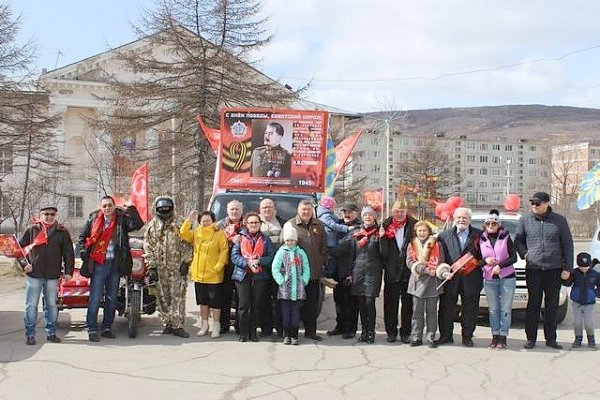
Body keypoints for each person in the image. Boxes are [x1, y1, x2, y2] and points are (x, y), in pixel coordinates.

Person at [79, 195, 143, 342]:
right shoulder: (94, 219)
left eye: (109, 205)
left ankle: (107, 327)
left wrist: (131, 208)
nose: (107, 208)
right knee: (94, 299)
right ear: (101, 207)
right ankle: (92, 329)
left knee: (111, 299)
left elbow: (137, 224)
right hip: (98, 264)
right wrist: (84, 253)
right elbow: (82, 238)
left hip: (114, 264)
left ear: (114, 206)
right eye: (104, 206)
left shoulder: (121, 218)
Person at [515, 191, 574, 350]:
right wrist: (525, 254)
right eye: (532, 203)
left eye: (538, 203)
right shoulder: (525, 220)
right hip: (533, 269)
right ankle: (531, 339)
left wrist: (568, 268)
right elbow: (518, 240)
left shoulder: (559, 221)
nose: (534, 206)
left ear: (547, 203)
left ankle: (551, 339)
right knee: (533, 304)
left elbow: (568, 245)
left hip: (554, 269)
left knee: (552, 305)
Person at [20, 206, 75, 345]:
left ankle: (51, 333)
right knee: (31, 306)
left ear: (55, 215)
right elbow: (18, 249)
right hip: (34, 274)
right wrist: (24, 264)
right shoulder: (32, 230)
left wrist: (68, 271)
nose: (49, 216)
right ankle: (30, 334)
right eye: (46, 214)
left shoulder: (62, 232)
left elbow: (69, 253)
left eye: (52, 214)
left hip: (53, 275)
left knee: (51, 305)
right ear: (41, 214)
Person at [143, 196, 193, 338]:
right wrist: (151, 266)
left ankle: (177, 325)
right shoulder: (152, 226)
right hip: (160, 267)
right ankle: (167, 323)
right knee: (162, 296)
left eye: (167, 208)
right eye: (161, 209)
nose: (165, 211)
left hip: (177, 266)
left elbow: (188, 243)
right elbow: (148, 246)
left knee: (178, 297)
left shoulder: (181, 223)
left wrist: (185, 262)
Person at [436, 207, 482, 347]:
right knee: (446, 308)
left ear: (469, 219)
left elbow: (484, 255)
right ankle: (446, 335)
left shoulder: (480, 235)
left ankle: (467, 337)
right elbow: (440, 257)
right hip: (451, 278)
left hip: (471, 277)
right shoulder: (444, 235)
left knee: (470, 309)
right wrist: (444, 272)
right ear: (454, 219)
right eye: (459, 218)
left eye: (464, 217)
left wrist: (477, 262)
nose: (461, 220)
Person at [180, 210, 229, 338]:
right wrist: (188, 220)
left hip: (214, 275)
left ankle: (216, 325)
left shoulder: (219, 234)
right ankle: (204, 325)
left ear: (213, 221)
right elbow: (183, 233)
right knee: (203, 302)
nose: (206, 223)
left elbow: (224, 251)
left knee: (215, 303)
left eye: (208, 220)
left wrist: (218, 266)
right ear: (200, 222)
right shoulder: (196, 233)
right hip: (199, 274)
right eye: (203, 221)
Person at [284, 199, 328, 341]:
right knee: (295, 305)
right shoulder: (290, 224)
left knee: (312, 304)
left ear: (312, 211)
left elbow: (324, 247)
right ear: (298, 210)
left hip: (314, 273)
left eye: (309, 210)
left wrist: (322, 261)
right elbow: (283, 247)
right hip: (295, 274)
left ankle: (311, 332)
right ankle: (291, 334)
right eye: (303, 209)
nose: (306, 212)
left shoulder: (319, 225)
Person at [230, 212, 275, 342]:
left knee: (256, 306)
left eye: (256, 222)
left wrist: (259, 261)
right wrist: (247, 263)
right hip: (243, 276)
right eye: (251, 222)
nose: (253, 224)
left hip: (260, 277)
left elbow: (271, 257)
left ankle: (253, 332)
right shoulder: (240, 238)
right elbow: (234, 256)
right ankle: (243, 333)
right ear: (246, 224)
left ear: (260, 224)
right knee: (243, 306)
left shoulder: (266, 239)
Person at [342, 206, 383, 344]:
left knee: (369, 303)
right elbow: (351, 256)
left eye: (370, 215)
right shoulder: (357, 234)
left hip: (373, 273)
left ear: (374, 217)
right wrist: (349, 273)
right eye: (365, 215)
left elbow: (384, 254)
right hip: (358, 272)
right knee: (361, 304)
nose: (367, 217)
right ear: (362, 217)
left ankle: (371, 332)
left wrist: (382, 239)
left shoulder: (379, 233)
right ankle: (364, 332)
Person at [379, 200, 417, 343]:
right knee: (390, 304)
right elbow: (383, 253)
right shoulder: (385, 225)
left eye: (402, 211)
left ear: (406, 211)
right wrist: (382, 238)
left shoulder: (414, 225)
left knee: (408, 304)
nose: (399, 214)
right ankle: (391, 332)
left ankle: (406, 332)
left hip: (409, 271)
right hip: (392, 271)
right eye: (397, 211)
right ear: (392, 212)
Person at [479, 210, 517, 350]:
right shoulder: (481, 239)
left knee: (505, 308)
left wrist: (500, 266)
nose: (491, 225)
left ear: (499, 225)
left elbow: (514, 257)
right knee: (493, 309)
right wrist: (485, 261)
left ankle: (503, 337)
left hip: (507, 277)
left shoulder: (506, 237)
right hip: (489, 279)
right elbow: (476, 260)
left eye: (494, 223)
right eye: (488, 223)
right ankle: (494, 336)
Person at [405, 220, 445, 348]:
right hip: (418, 281)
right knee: (417, 312)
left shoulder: (437, 245)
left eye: (424, 230)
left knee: (432, 312)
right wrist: (425, 270)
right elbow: (409, 262)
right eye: (419, 231)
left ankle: (430, 337)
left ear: (429, 232)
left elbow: (442, 261)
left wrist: (440, 271)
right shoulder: (412, 244)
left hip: (433, 283)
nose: (422, 233)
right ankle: (416, 337)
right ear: (416, 232)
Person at [271, 224, 310, 345]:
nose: (290, 242)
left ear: (296, 240)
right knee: (286, 313)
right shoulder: (281, 252)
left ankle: (294, 335)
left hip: (298, 289)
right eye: (287, 240)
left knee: (295, 313)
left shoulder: (301, 253)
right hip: (285, 290)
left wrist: (304, 280)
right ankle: (286, 335)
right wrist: (281, 281)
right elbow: (275, 268)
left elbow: (306, 268)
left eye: (292, 240)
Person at [329, 202, 361, 339]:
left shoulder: (358, 228)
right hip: (337, 270)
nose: (346, 215)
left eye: (349, 212)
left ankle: (350, 329)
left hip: (350, 270)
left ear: (356, 213)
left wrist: (326, 249)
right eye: (343, 212)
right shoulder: (338, 225)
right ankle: (340, 326)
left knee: (351, 303)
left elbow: (342, 248)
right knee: (339, 301)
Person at [216, 199, 244, 334]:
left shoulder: (248, 224)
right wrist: (230, 239)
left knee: (241, 297)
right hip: (224, 266)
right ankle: (223, 325)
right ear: (227, 211)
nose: (234, 211)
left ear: (241, 210)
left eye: (237, 209)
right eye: (232, 209)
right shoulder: (219, 225)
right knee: (224, 297)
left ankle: (240, 325)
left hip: (241, 267)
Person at [258, 197, 285, 337]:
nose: (267, 209)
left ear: (275, 209)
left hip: (280, 269)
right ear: (260, 210)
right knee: (264, 299)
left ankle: (281, 329)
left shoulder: (283, 224)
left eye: (270, 207)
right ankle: (266, 329)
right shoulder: (255, 224)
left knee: (279, 299)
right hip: (262, 268)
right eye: (264, 207)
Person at [563, 252, 600, 349]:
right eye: (581, 266)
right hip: (577, 302)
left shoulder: (595, 274)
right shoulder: (574, 273)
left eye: (586, 266)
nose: (584, 268)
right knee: (577, 322)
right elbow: (567, 283)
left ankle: (591, 339)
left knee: (589, 322)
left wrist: (595, 293)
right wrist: (565, 278)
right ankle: (578, 339)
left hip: (589, 303)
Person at [316, 196, 354, 285]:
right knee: (331, 259)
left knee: (332, 258)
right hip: (330, 240)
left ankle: (329, 275)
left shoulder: (326, 214)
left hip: (332, 240)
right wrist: (346, 228)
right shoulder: (325, 215)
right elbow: (333, 225)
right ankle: (327, 275)